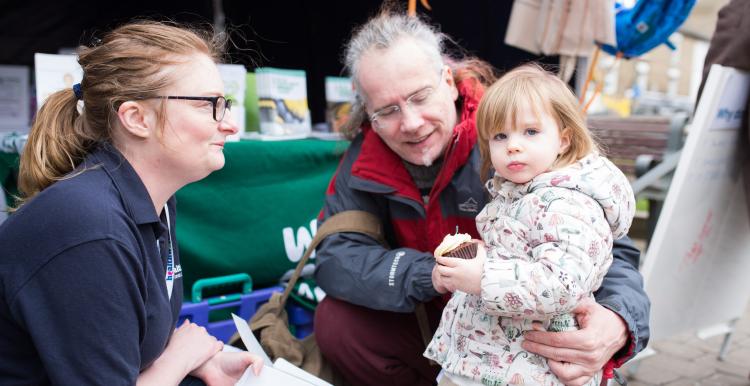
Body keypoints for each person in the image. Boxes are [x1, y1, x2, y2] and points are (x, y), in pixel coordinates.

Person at [313, 10, 650, 386]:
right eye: (387, 110)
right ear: (367, 114)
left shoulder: (512, 136)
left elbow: (609, 247)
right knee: (337, 322)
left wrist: (618, 320)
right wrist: (429, 274)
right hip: (439, 325)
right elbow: (336, 257)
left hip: (524, 335)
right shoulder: (364, 158)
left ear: (448, 81)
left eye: (420, 97)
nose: (410, 122)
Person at [0, 21, 263, 385]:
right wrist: (181, 355)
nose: (231, 124)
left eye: (226, 103)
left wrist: (201, 365)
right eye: (209, 105)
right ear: (137, 118)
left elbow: (129, 346)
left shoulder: (155, 199)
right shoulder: (88, 227)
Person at [424, 63, 635, 386]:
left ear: (563, 140)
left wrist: (483, 277)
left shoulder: (567, 204)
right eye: (500, 135)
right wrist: (481, 257)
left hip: (531, 369)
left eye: (531, 132)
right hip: (496, 361)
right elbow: (525, 254)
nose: (513, 145)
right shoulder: (521, 194)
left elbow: (561, 283)